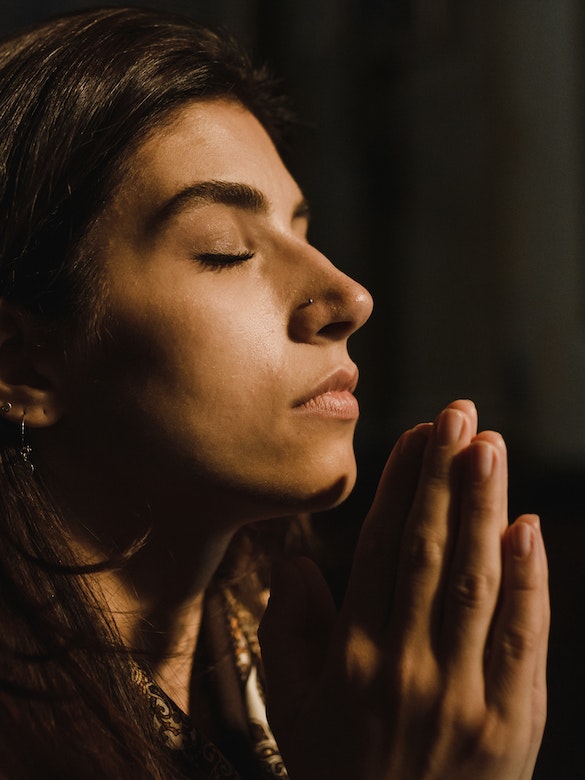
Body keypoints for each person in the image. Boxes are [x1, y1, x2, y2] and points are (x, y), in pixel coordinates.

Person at [0, 7, 549, 779]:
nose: (348, 296)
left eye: (302, 227)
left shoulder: (309, 664)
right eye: (224, 251)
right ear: (20, 363)